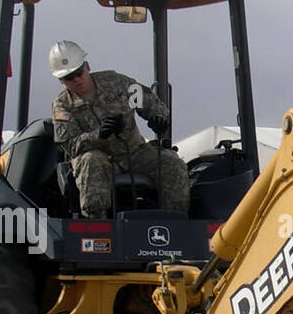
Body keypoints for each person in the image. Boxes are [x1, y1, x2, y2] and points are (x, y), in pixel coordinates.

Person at [48, 40, 190, 216]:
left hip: (134, 153)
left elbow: (148, 100)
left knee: (171, 162)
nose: (77, 80)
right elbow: (69, 145)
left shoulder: (117, 83)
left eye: (79, 72)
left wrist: (158, 117)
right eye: (70, 77)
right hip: (98, 159)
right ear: (61, 80)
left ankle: (174, 221)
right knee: (92, 160)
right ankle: (98, 226)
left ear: (87, 66)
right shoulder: (62, 105)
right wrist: (98, 135)